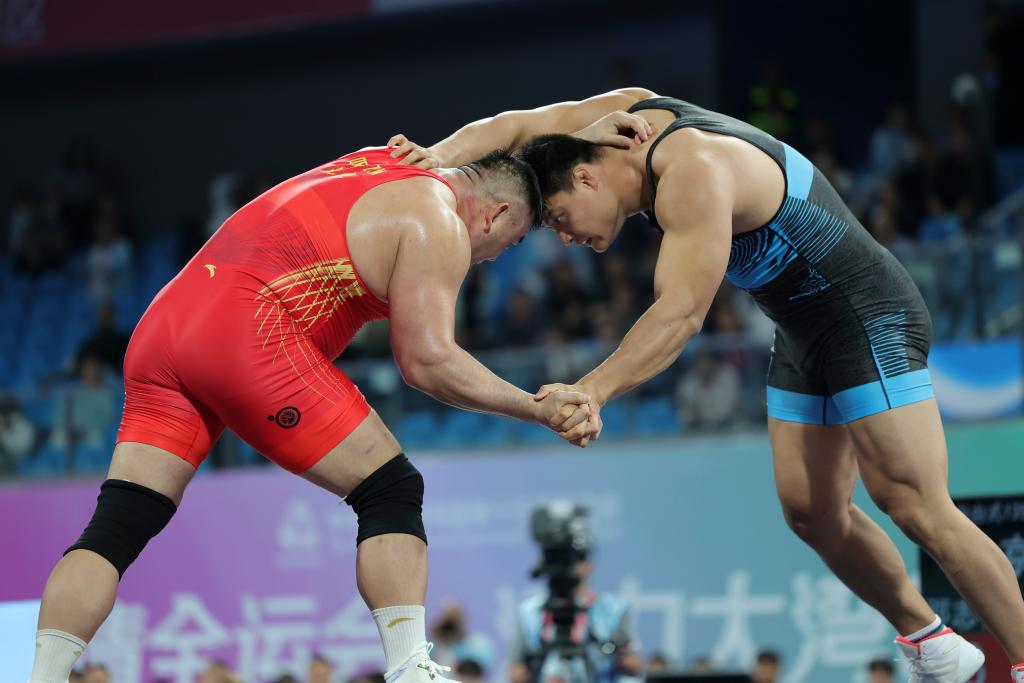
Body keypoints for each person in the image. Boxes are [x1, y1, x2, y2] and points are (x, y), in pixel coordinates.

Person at [388, 87, 1024, 683]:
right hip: (801, 331)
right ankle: (935, 645)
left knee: (912, 502)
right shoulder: (623, 117)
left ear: (586, 177)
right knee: (812, 512)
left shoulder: (691, 169)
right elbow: (517, 126)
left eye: (558, 218)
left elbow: (681, 314)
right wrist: (436, 161)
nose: (566, 237)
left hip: (865, 314)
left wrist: (592, 391)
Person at [27, 146, 595, 683]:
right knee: (390, 490)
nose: (491, 257)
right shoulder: (441, 221)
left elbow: (510, 128)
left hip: (165, 322)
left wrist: (596, 126)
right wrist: (534, 407)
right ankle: (409, 668)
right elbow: (427, 362)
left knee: (118, 524)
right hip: (245, 328)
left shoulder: (391, 159)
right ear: (496, 214)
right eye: (508, 243)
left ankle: (43, 675)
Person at [507, 547, 641, 683]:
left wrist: (619, 652)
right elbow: (515, 672)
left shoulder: (613, 609)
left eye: (570, 561)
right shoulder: (530, 612)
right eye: (558, 562)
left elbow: (634, 666)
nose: (565, 569)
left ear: (589, 565)